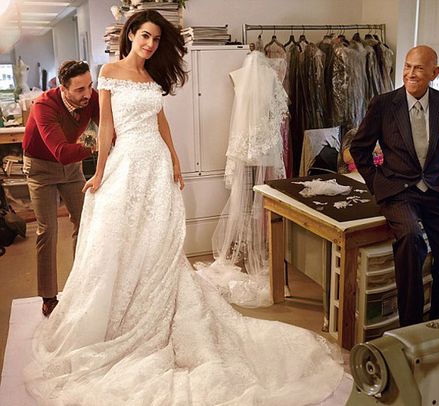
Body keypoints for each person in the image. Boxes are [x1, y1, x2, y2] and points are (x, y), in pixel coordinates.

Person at [24, 10, 344, 405]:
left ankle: (160, 300)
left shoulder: (152, 76)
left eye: (156, 40)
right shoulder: (108, 71)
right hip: (126, 163)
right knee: (120, 237)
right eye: (145, 36)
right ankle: (120, 313)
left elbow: (161, 122)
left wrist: (174, 160)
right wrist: (100, 171)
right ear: (130, 35)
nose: (150, 45)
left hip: (156, 163)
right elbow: (106, 128)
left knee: (159, 240)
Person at [350, 45, 439, 326]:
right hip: (398, 191)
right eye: (407, 66)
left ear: (435, 72)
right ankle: (411, 326)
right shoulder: (383, 105)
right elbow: (359, 149)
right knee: (411, 240)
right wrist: (377, 183)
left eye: (419, 68)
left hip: (436, 190)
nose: (410, 73)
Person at [22, 60, 99, 317]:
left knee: (84, 223)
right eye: (79, 90)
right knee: (48, 230)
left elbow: (109, 125)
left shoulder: (91, 97)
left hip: (72, 169)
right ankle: (49, 296)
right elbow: (61, 152)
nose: (87, 94)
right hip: (41, 168)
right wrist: (94, 143)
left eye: (89, 85)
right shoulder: (44, 105)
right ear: (63, 88)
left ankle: (81, 287)